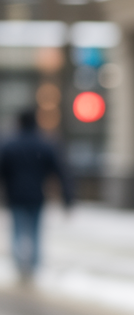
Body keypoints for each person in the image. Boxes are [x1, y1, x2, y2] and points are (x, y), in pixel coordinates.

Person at [0, 109, 73, 281]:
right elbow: (60, 171)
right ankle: (34, 266)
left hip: (15, 196)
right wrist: (67, 197)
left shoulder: (10, 146)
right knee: (35, 232)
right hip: (36, 196)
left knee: (18, 231)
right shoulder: (44, 144)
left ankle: (20, 265)